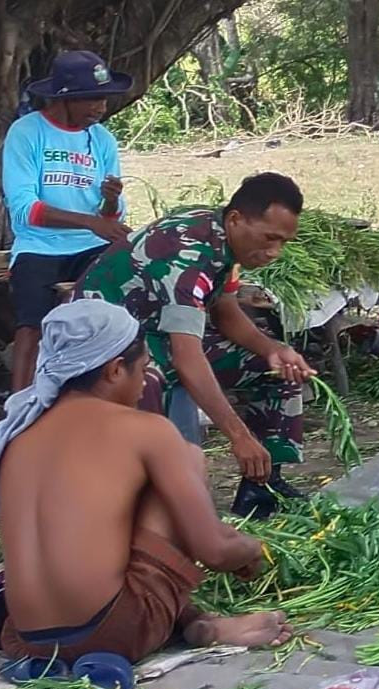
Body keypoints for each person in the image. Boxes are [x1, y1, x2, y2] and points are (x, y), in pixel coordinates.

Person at [0, 300, 292, 666]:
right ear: (115, 370)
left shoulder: (16, 436)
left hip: (23, 640)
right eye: (145, 369)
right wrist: (253, 549)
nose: (146, 382)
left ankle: (197, 623)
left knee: (117, 512)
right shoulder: (146, 431)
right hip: (113, 633)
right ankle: (188, 625)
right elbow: (214, 550)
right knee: (187, 457)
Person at [76, 172, 317, 518]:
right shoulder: (187, 253)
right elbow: (186, 358)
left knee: (280, 371)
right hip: (105, 350)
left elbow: (226, 311)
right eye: (269, 238)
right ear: (236, 219)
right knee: (149, 385)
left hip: (154, 334)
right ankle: (142, 508)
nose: (274, 252)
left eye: (283, 242)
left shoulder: (224, 239)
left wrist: (271, 350)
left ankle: (261, 488)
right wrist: (238, 436)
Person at [1, 50, 132, 392]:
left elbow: (110, 218)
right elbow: (24, 209)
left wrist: (111, 200)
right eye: (92, 99)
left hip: (90, 247)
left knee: (114, 317)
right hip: (38, 246)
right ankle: (19, 410)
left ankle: (101, 399)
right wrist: (91, 223)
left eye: (104, 98)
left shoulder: (102, 139)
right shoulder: (26, 133)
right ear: (64, 98)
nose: (101, 108)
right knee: (32, 324)